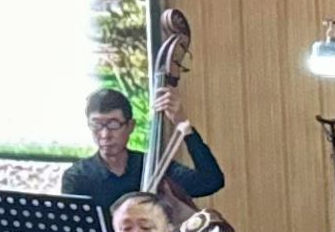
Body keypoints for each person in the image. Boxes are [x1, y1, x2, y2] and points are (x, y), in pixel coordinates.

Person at [57, 82, 221, 209]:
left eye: (113, 124)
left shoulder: (153, 167)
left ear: (130, 126)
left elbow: (210, 180)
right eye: (97, 125)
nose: (105, 134)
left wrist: (183, 124)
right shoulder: (77, 177)